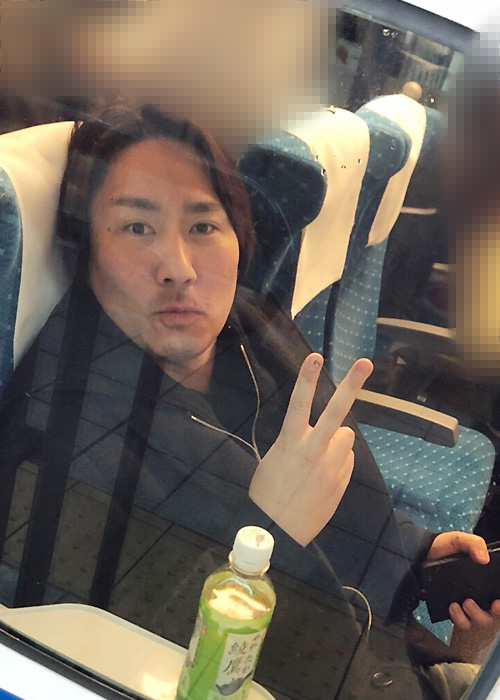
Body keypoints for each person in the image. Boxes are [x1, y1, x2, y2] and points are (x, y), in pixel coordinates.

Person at [1, 102, 499, 700]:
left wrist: (416, 556)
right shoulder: (61, 436)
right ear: (86, 252)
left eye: (203, 226)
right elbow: (144, 654)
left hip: (394, 658)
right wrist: (270, 533)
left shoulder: (251, 325)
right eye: (136, 227)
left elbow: (334, 497)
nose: (179, 268)